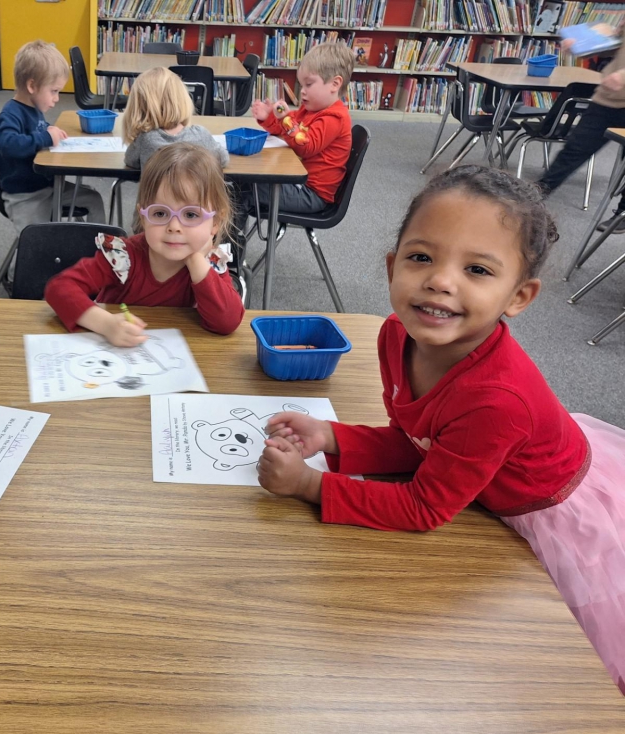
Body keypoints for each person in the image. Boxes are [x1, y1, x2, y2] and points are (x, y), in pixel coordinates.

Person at [256, 166, 625, 696]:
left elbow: (424, 508)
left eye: (477, 269)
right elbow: (418, 443)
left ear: (518, 297)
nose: (441, 281)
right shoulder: (394, 335)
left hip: (547, 509)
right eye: (421, 258)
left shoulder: (495, 402)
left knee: (565, 657)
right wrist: (332, 437)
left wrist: (308, 485)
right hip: (483, 479)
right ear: (392, 267)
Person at [44, 142, 244, 346]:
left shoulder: (209, 262)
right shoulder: (124, 257)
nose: (174, 227)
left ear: (215, 222)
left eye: (191, 215)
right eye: (160, 213)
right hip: (112, 352)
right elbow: (59, 288)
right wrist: (106, 324)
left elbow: (227, 322)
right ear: (143, 217)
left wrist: (195, 260)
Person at [232, 41, 354, 256]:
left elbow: (306, 145)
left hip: (311, 194)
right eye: (301, 85)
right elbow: (283, 131)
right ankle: (228, 247)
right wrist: (269, 117)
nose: (302, 92)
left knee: (241, 191)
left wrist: (285, 118)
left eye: (309, 85)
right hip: (296, 181)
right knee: (239, 184)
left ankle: (230, 254)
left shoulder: (334, 117)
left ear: (334, 84)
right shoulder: (309, 110)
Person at [0, 40, 106, 238]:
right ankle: (27, 261)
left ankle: (100, 248)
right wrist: (45, 136)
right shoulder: (11, 113)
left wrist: (48, 128)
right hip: (26, 196)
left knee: (93, 199)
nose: (57, 98)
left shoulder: (34, 107)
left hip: (49, 187)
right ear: (32, 85)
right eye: (54, 91)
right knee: (36, 243)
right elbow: (8, 143)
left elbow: (35, 130)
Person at [539, 23, 625, 233]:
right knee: (575, 149)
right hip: (608, 98)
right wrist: (583, 44)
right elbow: (615, 44)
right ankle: (535, 195)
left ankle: (623, 214)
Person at [122, 66, 228, 169]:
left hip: (157, 182)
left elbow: (130, 161)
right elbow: (223, 159)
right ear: (182, 99)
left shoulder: (144, 139)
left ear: (138, 107)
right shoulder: (201, 135)